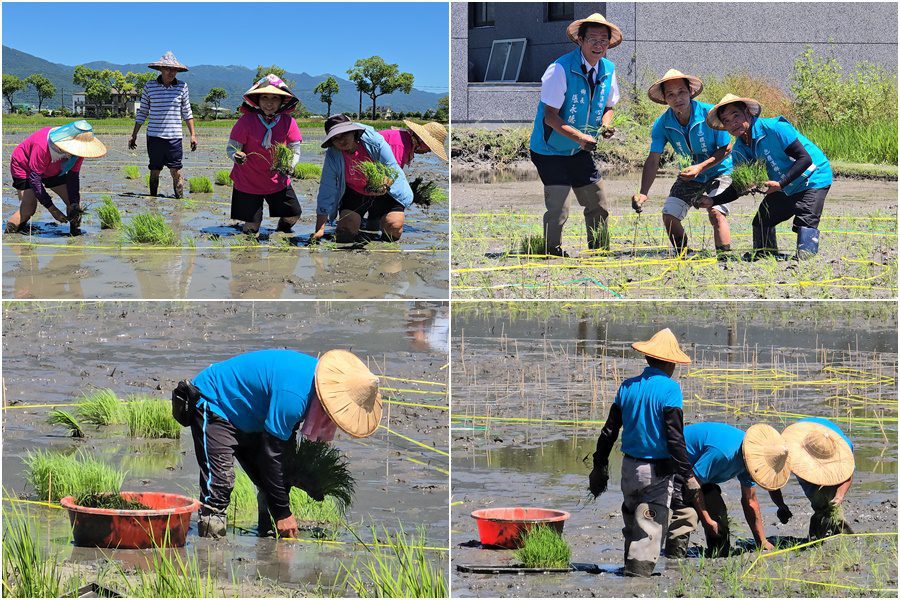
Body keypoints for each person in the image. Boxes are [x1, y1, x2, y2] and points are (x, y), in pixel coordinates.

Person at [178, 349, 382, 539]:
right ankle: (210, 550)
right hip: (215, 402)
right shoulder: (295, 396)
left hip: (253, 416)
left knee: (277, 480)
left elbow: (280, 453)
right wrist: (283, 512)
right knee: (219, 486)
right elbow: (270, 455)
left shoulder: (316, 387)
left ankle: (268, 536)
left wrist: (304, 481)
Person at [588, 328, 700, 577]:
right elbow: (675, 439)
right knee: (648, 531)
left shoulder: (627, 387)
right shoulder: (671, 390)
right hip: (657, 473)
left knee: (632, 526)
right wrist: (689, 476)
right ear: (671, 362)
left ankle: (630, 574)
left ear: (648, 358)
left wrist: (599, 465)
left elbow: (609, 431)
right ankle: (638, 584)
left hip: (628, 469)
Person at [528, 13, 622, 257]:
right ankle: (551, 253)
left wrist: (605, 125)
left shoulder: (609, 70)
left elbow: (609, 107)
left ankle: (600, 251)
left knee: (597, 202)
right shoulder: (559, 69)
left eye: (604, 40)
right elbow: (550, 116)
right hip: (549, 149)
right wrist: (580, 138)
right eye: (593, 38)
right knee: (559, 206)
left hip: (580, 149)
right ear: (580, 39)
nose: (599, 44)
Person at [701, 93, 832, 260]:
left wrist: (781, 184)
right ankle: (765, 255)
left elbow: (805, 159)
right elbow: (739, 186)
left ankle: (805, 259)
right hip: (782, 183)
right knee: (763, 219)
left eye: (735, 115)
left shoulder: (775, 128)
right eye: (726, 121)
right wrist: (713, 201)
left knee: (805, 221)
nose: (732, 123)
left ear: (748, 112)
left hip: (813, 176)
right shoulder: (740, 148)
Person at [632, 70, 733, 258]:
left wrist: (701, 167)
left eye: (681, 92)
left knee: (716, 213)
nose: (677, 98)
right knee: (669, 216)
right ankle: (683, 255)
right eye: (670, 94)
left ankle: (724, 260)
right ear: (664, 98)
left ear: (690, 92)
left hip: (720, 171)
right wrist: (644, 193)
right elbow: (653, 158)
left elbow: (726, 148)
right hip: (690, 176)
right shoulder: (662, 124)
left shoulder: (709, 114)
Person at [665, 423, 793, 558]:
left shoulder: (752, 460)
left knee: (717, 512)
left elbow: (750, 501)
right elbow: (692, 485)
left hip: (699, 475)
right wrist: (707, 521)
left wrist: (762, 542)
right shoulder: (724, 454)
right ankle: (674, 560)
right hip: (671, 464)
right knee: (688, 514)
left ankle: (718, 554)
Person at [314, 114, 413, 243]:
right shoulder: (333, 154)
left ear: (354, 132)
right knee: (345, 232)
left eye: (344, 134)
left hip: (385, 193)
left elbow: (392, 169)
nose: (341, 141)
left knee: (393, 227)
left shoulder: (375, 142)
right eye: (335, 138)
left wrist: (385, 184)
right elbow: (327, 187)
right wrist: (319, 229)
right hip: (355, 192)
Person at [227, 75, 304, 234]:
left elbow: (295, 150)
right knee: (251, 228)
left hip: (277, 180)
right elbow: (231, 148)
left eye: (275, 98)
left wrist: (290, 165)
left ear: (282, 101)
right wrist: (237, 156)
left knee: (293, 215)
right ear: (257, 100)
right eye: (265, 98)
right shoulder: (246, 121)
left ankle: (280, 233)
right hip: (248, 180)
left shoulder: (288, 122)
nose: (269, 103)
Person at [6, 120, 107, 235]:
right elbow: (35, 180)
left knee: (74, 204)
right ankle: (10, 236)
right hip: (25, 167)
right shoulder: (42, 145)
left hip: (54, 168)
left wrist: (74, 202)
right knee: (29, 208)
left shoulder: (79, 152)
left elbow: (73, 176)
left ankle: (75, 234)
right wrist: (52, 209)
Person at [128, 51, 197, 199]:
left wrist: (193, 135)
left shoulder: (182, 87)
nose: (171, 72)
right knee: (154, 170)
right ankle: (152, 200)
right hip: (154, 137)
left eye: (174, 69)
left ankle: (180, 202)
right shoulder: (150, 86)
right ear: (160, 69)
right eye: (168, 68)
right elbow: (143, 112)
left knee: (176, 171)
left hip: (174, 138)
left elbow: (187, 111)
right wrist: (134, 135)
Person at [782, 418, 855, 539]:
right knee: (817, 499)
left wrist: (839, 495)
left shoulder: (845, 447)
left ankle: (837, 531)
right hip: (804, 443)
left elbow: (848, 474)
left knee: (833, 502)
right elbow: (772, 479)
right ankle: (819, 531)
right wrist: (781, 505)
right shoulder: (789, 448)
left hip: (830, 451)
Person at [379, 120, 448, 168]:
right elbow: (391, 175)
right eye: (430, 147)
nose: (429, 150)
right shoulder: (400, 145)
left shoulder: (405, 139)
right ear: (423, 141)